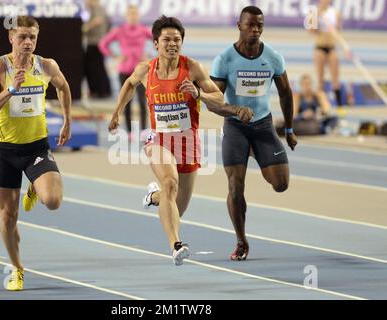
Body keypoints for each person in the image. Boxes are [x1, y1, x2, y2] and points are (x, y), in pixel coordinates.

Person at [108, 15, 244, 266]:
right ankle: (176, 246)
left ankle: (154, 196)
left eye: (177, 39)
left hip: (188, 143)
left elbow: (220, 99)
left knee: (176, 208)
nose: (172, 44)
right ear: (156, 43)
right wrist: (117, 112)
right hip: (158, 140)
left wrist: (199, 93)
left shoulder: (192, 68)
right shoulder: (146, 69)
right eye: (167, 39)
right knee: (170, 183)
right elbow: (128, 84)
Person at [0, 16, 72, 291]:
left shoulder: (46, 65)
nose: (28, 42)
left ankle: (34, 184)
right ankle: (17, 268)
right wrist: (10, 90)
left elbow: (63, 86)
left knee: (53, 201)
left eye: (32, 37)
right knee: (8, 216)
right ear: (11, 38)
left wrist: (67, 120)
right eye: (22, 37)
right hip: (5, 151)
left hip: (36, 148)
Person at [210, 6, 297, 261]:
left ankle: (257, 150)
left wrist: (289, 129)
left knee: (281, 185)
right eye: (250, 25)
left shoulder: (273, 57)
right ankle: (241, 240)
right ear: (239, 25)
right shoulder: (224, 59)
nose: (255, 30)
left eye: (259, 25)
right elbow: (213, 102)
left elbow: (286, 93)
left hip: (262, 125)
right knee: (236, 186)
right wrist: (235, 109)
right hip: (236, 127)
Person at [99, 4, 153, 137]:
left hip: (141, 72)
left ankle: (143, 130)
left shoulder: (143, 30)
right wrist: (115, 56)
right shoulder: (120, 30)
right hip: (125, 71)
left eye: (135, 14)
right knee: (126, 102)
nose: (133, 16)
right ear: (126, 16)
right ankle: (129, 132)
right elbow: (103, 44)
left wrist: (149, 55)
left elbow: (158, 40)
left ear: (139, 16)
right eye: (130, 14)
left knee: (142, 100)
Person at [307, 0, 350, 115]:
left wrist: (345, 48)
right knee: (320, 80)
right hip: (319, 48)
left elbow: (339, 34)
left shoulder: (335, 13)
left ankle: (340, 107)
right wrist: (317, 17)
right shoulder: (315, 12)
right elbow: (311, 30)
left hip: (332, 48)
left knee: (336, 80)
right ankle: (322, 108)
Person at [83, 0, 112, 98]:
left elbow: (100, 22)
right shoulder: (89, 10)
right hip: (94, 42)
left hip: (96, 43)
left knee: (97, 68)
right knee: (91, 68)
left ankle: (101, 91)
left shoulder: (98, 9)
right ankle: (97, 91)